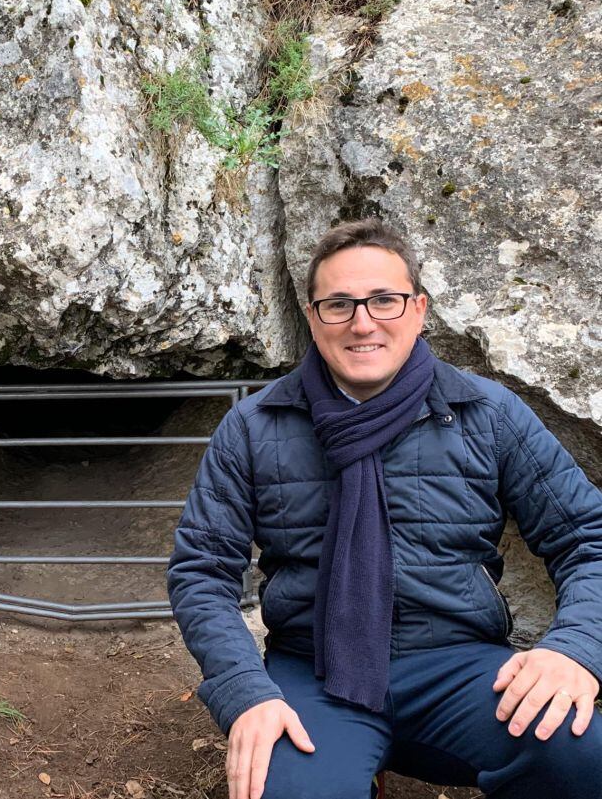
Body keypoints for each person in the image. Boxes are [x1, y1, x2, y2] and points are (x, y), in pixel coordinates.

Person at [166, 219, 602, 799]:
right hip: (313, 675)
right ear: (312, 315)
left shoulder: (488, 412)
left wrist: (574, 649)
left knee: (582, 753)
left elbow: (587, 539)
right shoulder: (253, 427)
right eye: (339, 304)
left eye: (384, 301)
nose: (363, 322)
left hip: (459, 668)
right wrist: (245, 691)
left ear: (418, 309)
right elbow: (202, 573)